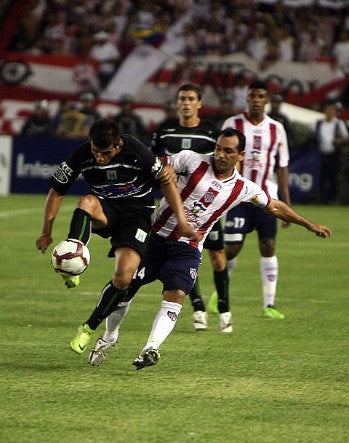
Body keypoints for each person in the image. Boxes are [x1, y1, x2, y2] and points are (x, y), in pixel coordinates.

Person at [85, 128, 331, 369]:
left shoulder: (243, 188)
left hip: (188, 247)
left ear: (240, 156)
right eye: (218, 149)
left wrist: (308, 224)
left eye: (228, 151)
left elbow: (274, 206)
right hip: (155, 239)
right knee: (125, 290)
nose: (220, 155)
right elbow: (156, 166)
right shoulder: (191, 160)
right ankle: (110, 335)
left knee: (176, 294)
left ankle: (151, 347)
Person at [35, 118, 199, 353]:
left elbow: (167, 181)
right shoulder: (82, 154)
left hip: (137, 217)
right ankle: (72, 260)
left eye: (104, 153)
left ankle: (88, 328)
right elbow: (57, 190)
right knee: (87, 202)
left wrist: (182, 222)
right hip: (106, 210)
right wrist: (46, 232)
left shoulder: (137, 152)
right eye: (95, 151)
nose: (99, 158)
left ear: (118, 145)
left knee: (123, 278)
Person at [151, 83, 230, 332]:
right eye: (182, 98)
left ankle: (225, 308)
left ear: (199, 104)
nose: (185, 103)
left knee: (218, 259)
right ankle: (198, 307)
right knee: (183, 253)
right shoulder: (165, 131)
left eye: (190, 99)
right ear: (177, 103)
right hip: (174, 207)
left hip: (206, 207)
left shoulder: (210, 133)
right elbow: (153, 163)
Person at [210, 80, 291, 319]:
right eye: (252, 95)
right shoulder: (232, 124)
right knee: (232, 248)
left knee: (268, 246)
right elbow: (219, 158)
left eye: (260, 96)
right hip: (238, 198)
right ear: (247, 98)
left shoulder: (277, 128)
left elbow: (282, 166)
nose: (256, 100)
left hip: (267, 197)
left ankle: (269, 305)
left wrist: (287, 202)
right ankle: (220, 294)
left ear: (267, 100)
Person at [312, 100, 349, 204]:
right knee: (322, 177)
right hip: (321, 154)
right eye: (327, 109)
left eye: (331, 109)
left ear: (334, 111)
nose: (329, 111)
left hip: (334, 154)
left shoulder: (339, 123)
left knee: (334, 177)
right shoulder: (319, 123)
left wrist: (339, 141)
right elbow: (311, 135)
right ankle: (321, 198)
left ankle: (332, 199)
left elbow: (346, 138)